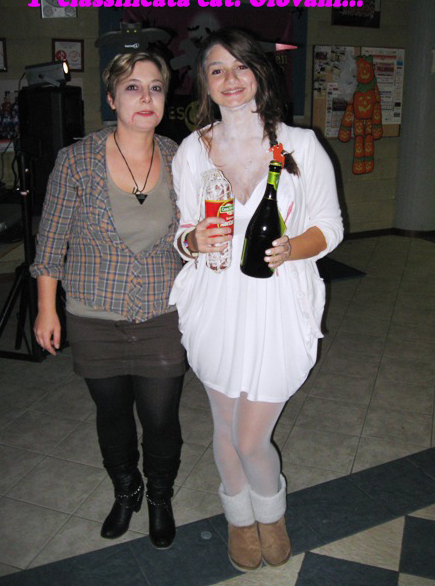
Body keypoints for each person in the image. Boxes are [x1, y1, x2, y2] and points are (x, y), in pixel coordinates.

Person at [169, 28, 343, 571]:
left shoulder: (299, 145)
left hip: (277, 301)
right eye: (217, 70)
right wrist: (191, 241)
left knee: (250, 437)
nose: (231, 79)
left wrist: (292, 248)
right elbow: (184, 230)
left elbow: (330, 227)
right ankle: (240, 521)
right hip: (216, 300)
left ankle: (272, 514)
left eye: (240, 66)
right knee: (224, 427)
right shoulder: (193, 150)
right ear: (205, 83)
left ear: (259, 74)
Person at [30, 50, 187, 550]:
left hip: (162, 312)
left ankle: (159, 495)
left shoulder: (181, 158)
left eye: (156, 87)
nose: (146, 97)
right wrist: (47, 309)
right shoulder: (76, 161)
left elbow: (196, 230)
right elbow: (50, 242)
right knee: (113, 415)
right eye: (133, 87)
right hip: (94, 316)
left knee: (161, 417)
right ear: (113, 97)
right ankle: (126, 489)